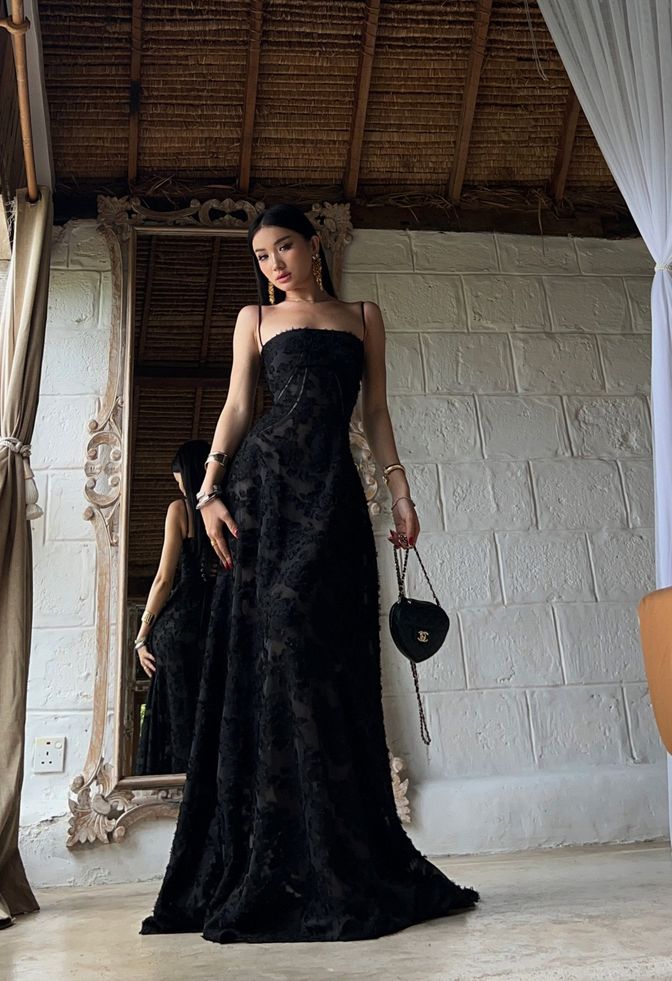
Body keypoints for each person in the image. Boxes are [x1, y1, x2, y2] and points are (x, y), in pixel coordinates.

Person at [140, 203, 479, 943]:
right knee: (281, 643)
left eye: (283, 247)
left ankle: (335, 854)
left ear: (312, 244)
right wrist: (209, 492)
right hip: (264, 490)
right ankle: (278, 854)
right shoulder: (253, 321)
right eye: (261, 257)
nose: (274, 265)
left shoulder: (363, 314)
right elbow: (235, 407)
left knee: (331, 664)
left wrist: (400, 489)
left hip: (335, 500)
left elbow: (377, 412)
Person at [134, 440, 219, 775]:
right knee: (209, 711)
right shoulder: (231, 509)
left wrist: (141, 637)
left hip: (178, 626)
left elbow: (163, 580)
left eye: (181, 481)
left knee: (176, 715)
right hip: (216, 625)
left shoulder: (180, 511)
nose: (180, 488)